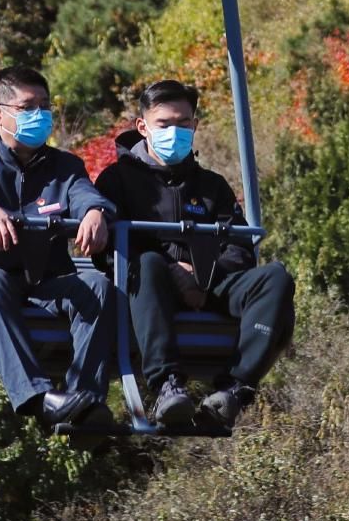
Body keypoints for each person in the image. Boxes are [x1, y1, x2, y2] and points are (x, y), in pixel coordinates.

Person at [0, 65, 120, 440]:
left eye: (45, 107)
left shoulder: (64, 166)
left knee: (97, 284)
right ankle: (37, 398)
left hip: (44, 280)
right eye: (28, 107)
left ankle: (84, 400)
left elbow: (83, 194)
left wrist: (96, 212)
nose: (40, 116)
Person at [96, 79, 295, 429]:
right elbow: (109, 249)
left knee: (275, 277)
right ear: (143, 127)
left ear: (195, 125)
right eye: (165, 125)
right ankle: (166, 385)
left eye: (183, 124)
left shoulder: (211, 186)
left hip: (209, 285)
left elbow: (240, 248)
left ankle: (234, 388)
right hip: (148, 288)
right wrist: (176, 272)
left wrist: (203, 277)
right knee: (146, 261)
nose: (175, 132)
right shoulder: (117, 181)